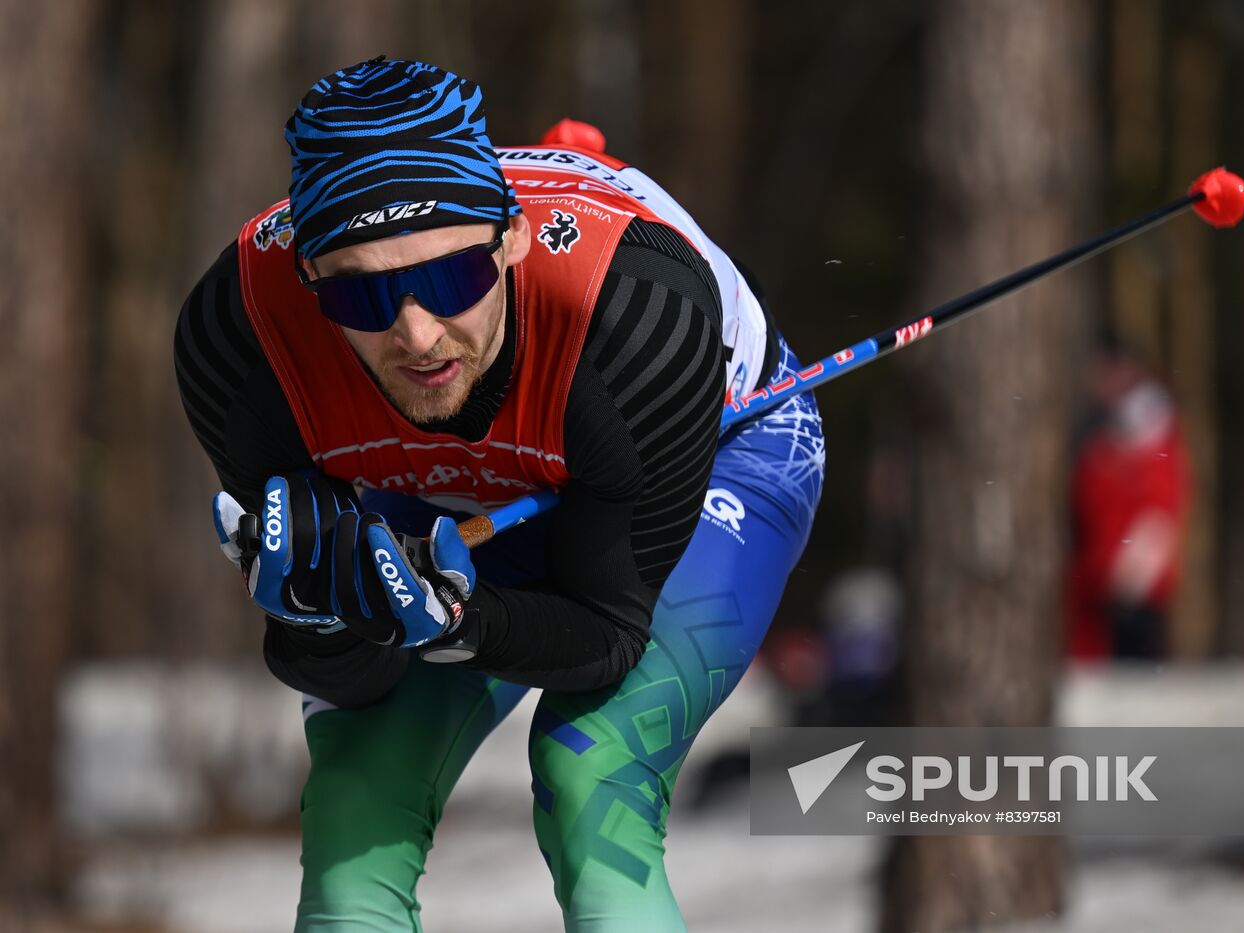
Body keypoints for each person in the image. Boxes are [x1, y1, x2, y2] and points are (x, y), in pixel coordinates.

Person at [174, 57, 824, 932]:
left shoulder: (636, 311)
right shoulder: (242, 345)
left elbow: (602, 633)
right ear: (308, 278)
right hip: (457, 478)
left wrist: (456, 622)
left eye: (451, 281)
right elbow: (348, 676)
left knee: (591, 774)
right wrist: (318, 613)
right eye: (364, 294)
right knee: (359, 797)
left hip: (716, 447)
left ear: (510, 237)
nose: (416, 332)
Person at [1065, 341, 1190, 660]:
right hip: (1097, 586)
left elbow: (1158, 513)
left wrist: (1131, 577)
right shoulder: (1099, 435)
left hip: (1130, 592)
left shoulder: (1149, 433)